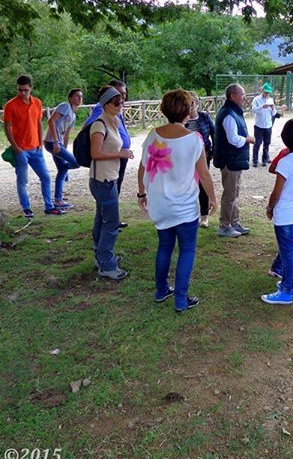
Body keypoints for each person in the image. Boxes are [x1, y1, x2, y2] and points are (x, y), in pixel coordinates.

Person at [138, 89, 217, 312]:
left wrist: (141, 193)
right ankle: (181, 298)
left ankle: (161, 290)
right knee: (187, 250)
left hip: (160, 204)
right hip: (184, 206)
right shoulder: (194, 139)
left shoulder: (153, 135)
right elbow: (204, 174)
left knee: (164, 247)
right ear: (187, 110)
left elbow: (143, 167)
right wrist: (212, 198)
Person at [260, 119, 293, 304]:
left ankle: (286, 290)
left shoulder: (285, 162)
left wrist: (269, 208)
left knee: (287, 253)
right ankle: (292, 285)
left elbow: (277, 192)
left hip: (285, 213)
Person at [3, 75, 64, 218]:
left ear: (31, 88)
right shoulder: (10, 105)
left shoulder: (37, 102)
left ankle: (49, 206)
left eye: (25, 90)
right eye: (20, 90)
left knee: (46, 177)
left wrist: (40, 143)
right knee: (23, 181)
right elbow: (7, 127)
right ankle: (26, 208)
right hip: (21, 149)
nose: (23, 93)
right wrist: (15, 147)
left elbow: (38, 123)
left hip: (36, 148)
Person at [89, 87, 131, 280]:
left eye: (122, 101)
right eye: (116, 102)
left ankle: (102, 256)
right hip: (103, 180)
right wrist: (120, 153)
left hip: (108, 178)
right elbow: (95, 153)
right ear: (106, 104)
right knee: (111, 222)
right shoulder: (99, 125)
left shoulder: (112, 121)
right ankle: (107, 264)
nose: (121, 105)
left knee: (102, 219)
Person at [85, 79, 134, 228]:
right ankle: (110, 222)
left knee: (113, 194)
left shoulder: (115, 111)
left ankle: (109, 222)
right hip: (107, 166)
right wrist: (117, 152)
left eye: (124, 95)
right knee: (107, 200)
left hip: (118, 159)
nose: (122, 99)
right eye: (119, 94)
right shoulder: (101, 112)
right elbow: (91, 129)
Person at [214, 83, 255, 237]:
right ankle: (224, 225)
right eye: (242, 94)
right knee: (230, 194)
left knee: (234, 192)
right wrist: (248, 139)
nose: (244, 97)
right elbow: (233, 139)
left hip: (234, 159)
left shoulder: (232, 112)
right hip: (230, 159)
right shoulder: (229, 114)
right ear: (233, 96)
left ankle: (234, 222)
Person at [44, 88, 83, 209]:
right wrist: (56, 142)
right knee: (77, 163)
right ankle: (58, 198)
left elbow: (67, 134)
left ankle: (58, 200)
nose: (80, 98)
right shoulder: (65, 106)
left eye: (81, 96)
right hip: (52, 142)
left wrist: (64, 150)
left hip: (59, 144)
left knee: (62, 171)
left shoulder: (73, 115)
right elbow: (51, 121)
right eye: (77, 96)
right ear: (70, 98)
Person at [185, 91, 215, 228]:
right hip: (186, 157)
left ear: (197, 103)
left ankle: (204, 215)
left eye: (194, 102)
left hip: (203, 155)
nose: (192, 105)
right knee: (188, 185)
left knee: (203, 183)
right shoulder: (181, 118)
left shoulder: (204, 116)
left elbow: (214, 133)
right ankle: (190, 214)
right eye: (189, 102)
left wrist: (213, 151)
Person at [251, 82, 276, 167]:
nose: (267, 94)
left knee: (267, 143)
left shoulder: (271, 100)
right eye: (266, 92)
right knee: (257, 143)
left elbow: (274, 114)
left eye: (268, 92)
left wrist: (273, 108)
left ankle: (265, 160)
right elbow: (253, 111)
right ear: (262, 91)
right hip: (259, 125)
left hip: (268, 125)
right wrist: (262, 107)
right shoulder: (256, 99)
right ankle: (255, 160)